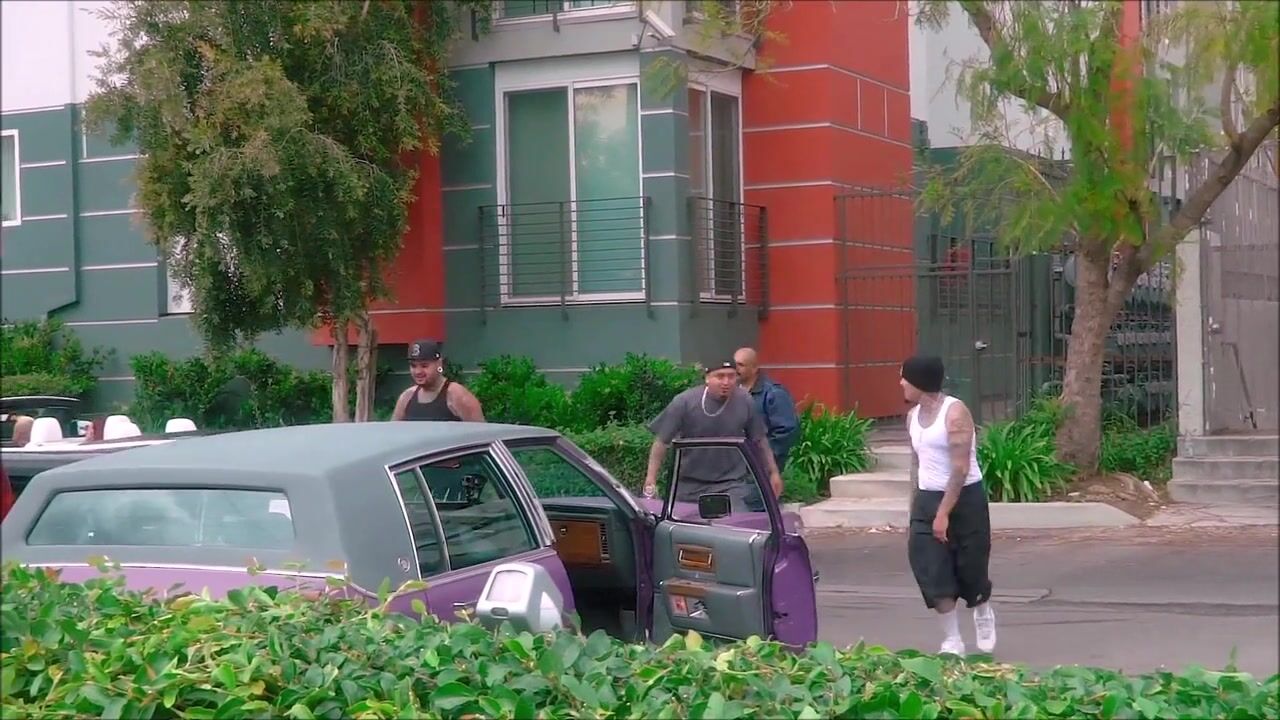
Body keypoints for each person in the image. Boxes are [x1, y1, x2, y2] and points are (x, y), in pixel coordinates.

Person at [900, 354, 996, 656]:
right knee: (931, 569)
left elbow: (960, 468)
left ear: (920, 381)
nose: (901, 383)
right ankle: (952, 640)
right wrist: (915, 508)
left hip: (964, 499)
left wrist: (943, 513)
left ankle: (982, 608)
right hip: (928, 498)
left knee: (971, 567)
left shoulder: (955, 414)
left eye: (905, 377)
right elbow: (917, 465)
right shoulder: (912, 417)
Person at [643, 358, 783, 510]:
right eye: (720, 376)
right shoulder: (684, 402)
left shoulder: (745, 401)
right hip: (688, 485)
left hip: (731, 484)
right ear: (707, 378)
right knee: (683, 522)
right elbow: (661, 442)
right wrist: (651, 478)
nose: (726, 382)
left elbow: (760, 440)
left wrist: (773, 472)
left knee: (737, 521)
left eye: (731, 376)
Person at [734, 347, 800, 472]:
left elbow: (786, 431)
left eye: (741, 365)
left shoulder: (774, 393)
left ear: (754, 368)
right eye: (735, 364)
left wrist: (764, 458)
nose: (736, 369)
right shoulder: (733, 392)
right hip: (739, 466)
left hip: (764, 467)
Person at [391, 339, 485, 422]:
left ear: (439, 363)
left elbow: (481, 432)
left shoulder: (456, 395)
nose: (418, 371)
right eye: (413, 366)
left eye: (424, 365)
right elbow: (393, 431)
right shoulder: (407, 397)